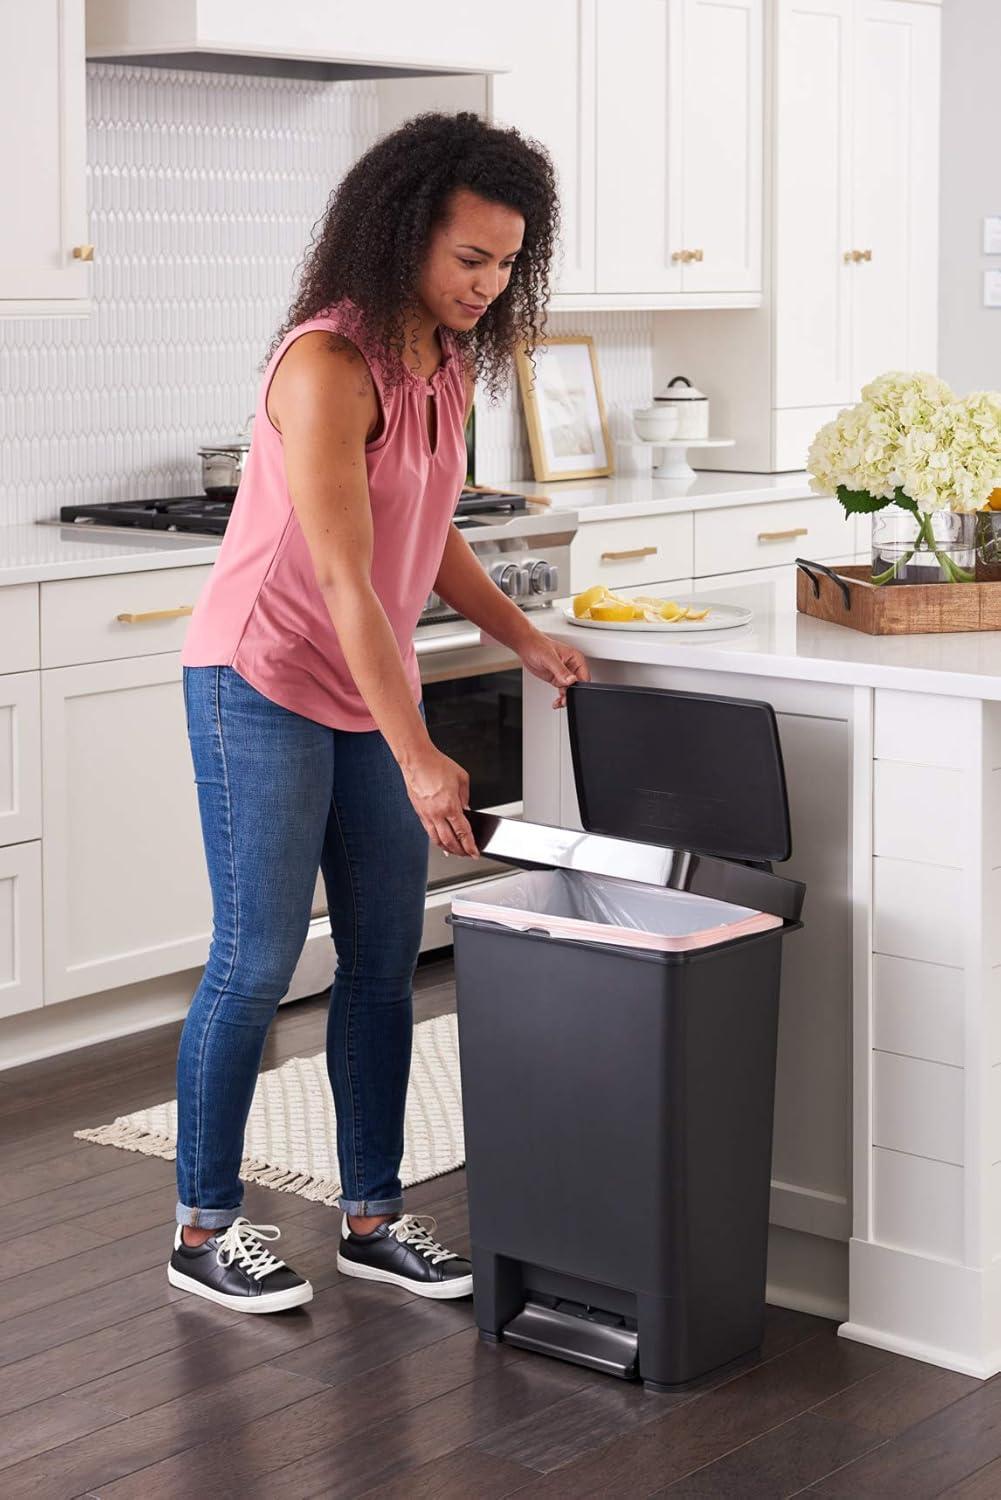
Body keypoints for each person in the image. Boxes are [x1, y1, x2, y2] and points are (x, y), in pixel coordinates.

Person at [166, 111, 590, 1313]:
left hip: (362, 684)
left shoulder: (444, 363)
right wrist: (418, 754)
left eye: (508, 262)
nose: (488, 283)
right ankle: (203, 1228)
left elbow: (428, 529)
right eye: (469, 257)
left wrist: (524, 639)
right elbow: (348, 579)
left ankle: (370, 1214)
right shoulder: (325, 364)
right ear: (404, 234)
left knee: (379, 962)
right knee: (254, 960)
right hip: (262, 680)